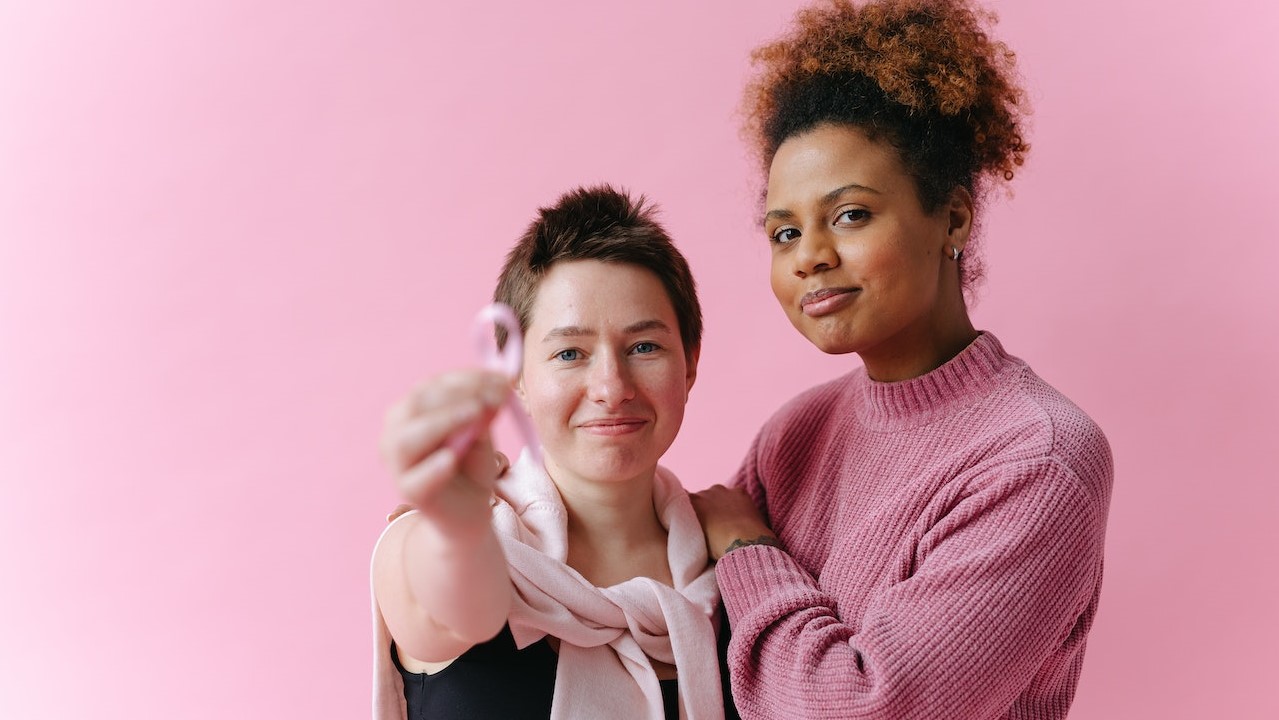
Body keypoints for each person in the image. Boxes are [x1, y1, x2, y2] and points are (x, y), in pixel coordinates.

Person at [688, 1, 1113, 718]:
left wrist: (745, 547)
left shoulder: (1036, 462)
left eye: (849, 214)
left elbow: (861, 708)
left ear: (951, 216)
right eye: (783, 232)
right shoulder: (795, 434)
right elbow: (678, 636)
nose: (810, 257)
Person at [370, 185, 735, 719]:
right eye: (570, 353)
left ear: (691, 363)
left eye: (644, 347)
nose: (612, 387)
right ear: (514, 375)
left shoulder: (736, 572)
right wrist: (457, 523)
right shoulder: (446, 536)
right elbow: (447, 611)